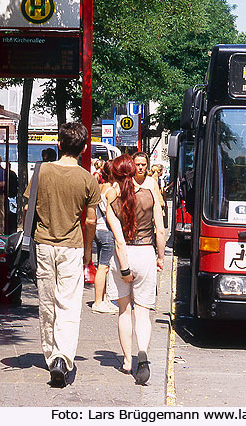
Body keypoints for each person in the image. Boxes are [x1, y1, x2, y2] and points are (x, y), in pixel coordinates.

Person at [24, 122, 99, 387]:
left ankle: (50, 354)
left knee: (47, 302)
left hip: (44, 244)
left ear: (59, 145)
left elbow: (27, 209)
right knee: (68, 303)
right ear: (84, 148)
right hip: (73, 247)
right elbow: (90, 221)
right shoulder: (88, 179)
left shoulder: (42, 172)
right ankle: (63, 357)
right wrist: (88, 251)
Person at [106, 154, 165, 385]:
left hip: (125, 256)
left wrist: (124, 269)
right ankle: (142, 352)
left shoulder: (113, 201)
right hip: (146, 252)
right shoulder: (151, 195)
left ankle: (127, 362)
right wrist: (160, 257)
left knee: (124, 311)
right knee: (142, 311)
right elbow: (160, 231)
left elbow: (119, 241)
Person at [92, 161, 118, 314]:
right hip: (107, 231)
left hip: (97, 229)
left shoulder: (100, 187)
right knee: (104, 267)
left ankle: (101, 299)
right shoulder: (111, 191)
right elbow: (113, 214)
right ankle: (98, 301)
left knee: (101, 266)